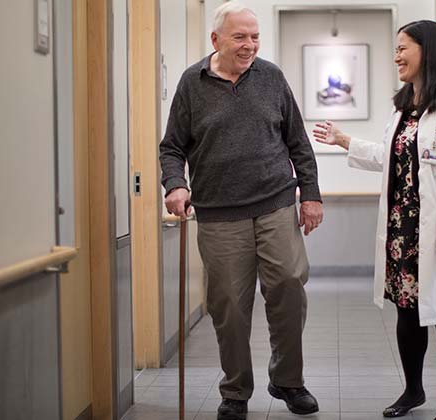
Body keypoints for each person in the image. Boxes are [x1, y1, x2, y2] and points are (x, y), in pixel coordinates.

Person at [312, 20, 436, 420]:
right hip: (402, 231)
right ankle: (413, 391)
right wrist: (344, 141)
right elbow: (386, 158)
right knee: (407, 314)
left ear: (428, 50)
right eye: (395, 49)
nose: (396, 55)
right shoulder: (404, 109)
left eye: (402, 48)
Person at [159, 3, 323, 420]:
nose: (250, 45)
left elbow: (298, 142)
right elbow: (172, 147)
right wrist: (175, 184)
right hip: (218, 213)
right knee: (229, 305)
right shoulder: (191, 84)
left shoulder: (271, 78)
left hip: (275, 202)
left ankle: (288, 380)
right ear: (216, 40)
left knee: (288, 284)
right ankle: (235, 391)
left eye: (255, 37)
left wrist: (311, 195)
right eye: (240, 37)